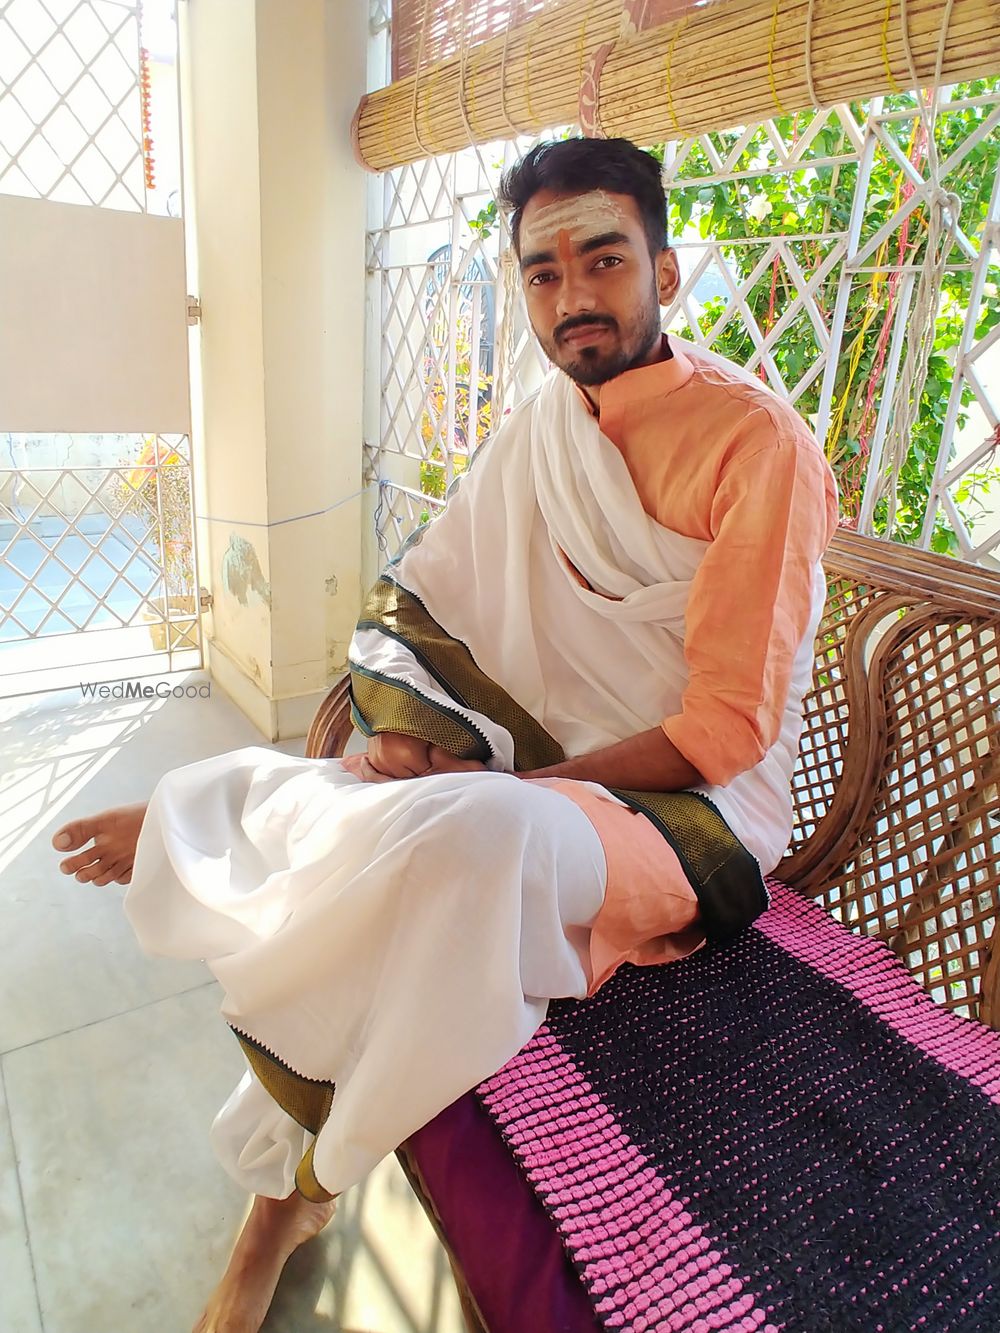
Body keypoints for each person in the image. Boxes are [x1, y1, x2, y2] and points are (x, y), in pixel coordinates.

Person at [51, 137, 838, 1333]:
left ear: (666, 275)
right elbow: (428, 592)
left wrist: (527, 780)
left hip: (686, 819)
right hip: (532, 788)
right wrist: (438, 733)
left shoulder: (753, 446)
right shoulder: (545, 426)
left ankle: (214, 856)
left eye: (603, 259)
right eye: (541, 271)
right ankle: (280, 1199)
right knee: (417, 823)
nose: (572, 295)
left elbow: (724, 730)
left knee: (460, 838)